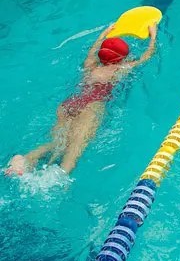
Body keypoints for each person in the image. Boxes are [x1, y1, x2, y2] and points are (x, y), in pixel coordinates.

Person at [5, 23, 158, 176]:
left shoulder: (90, 65)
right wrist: (153, 36)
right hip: (91, 107)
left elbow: (92, 50)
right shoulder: (119, 69)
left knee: (58, 142)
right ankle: (58, 178)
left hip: (70, 103)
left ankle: (25, 159)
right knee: (74, 149)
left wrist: (104, 33)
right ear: (121, 59)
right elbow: (146, 56)